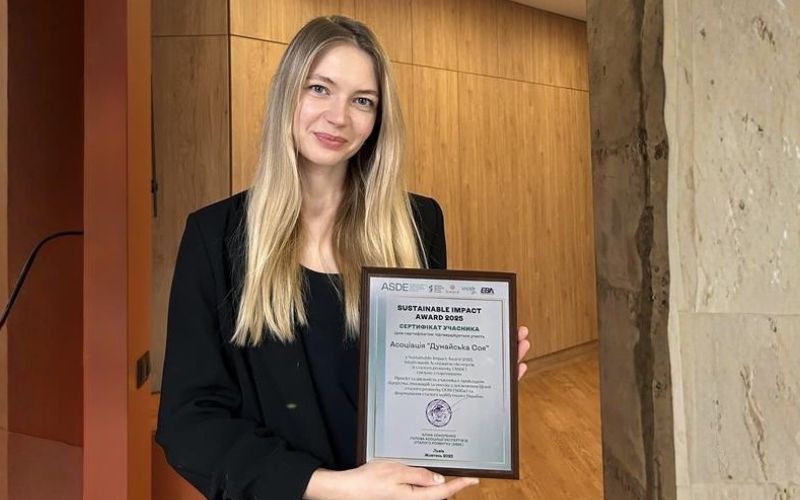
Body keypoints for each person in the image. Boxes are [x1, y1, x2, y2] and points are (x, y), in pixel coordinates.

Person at [156, 15, 531, 500]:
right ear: (287, 94)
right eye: (319, 89)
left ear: (378, 119)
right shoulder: (215, 236)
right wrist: (332, 487)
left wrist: (474, 381)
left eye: (362, 101)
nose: (339, 117)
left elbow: (418, 389)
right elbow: (190, 421)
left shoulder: (417, 223)